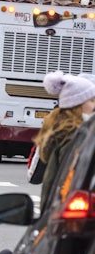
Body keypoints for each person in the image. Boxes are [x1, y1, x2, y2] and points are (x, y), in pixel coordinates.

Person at [34, 71, 95, 209]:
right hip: (69, 208)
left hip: (56, 207)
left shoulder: (62, 132)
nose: (94, 106)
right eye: (91, 101)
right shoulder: (74, 137)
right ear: (78, 105)